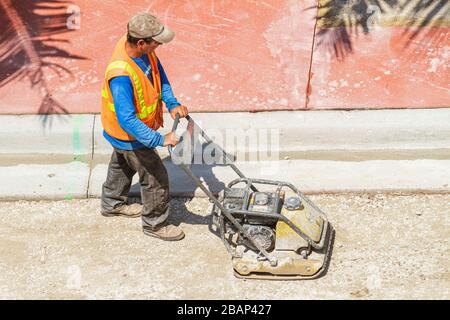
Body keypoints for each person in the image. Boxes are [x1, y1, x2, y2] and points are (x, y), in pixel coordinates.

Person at [100, 12, 188, 241]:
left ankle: (112, 203)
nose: (159, 45)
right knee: (156, 177)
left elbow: (160, 76)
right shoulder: (120, 75)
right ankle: (155, 224)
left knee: (122, 164)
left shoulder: (141, 50)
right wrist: (160, 139)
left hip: (120, 134)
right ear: (141, 42)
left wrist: (172, 103)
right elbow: (127, 120)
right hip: (130, 133)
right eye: (156, 42)